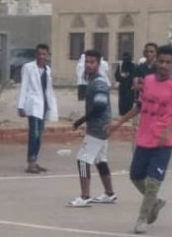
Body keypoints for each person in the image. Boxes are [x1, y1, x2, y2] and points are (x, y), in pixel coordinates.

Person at [108, 45, 172, 235]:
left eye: (168, 62)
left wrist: (169, 129)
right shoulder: (147, 81)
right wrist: (118, 123)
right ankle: (155, 202)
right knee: (136, 176)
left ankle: (142, 218)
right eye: (161, 61)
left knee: (153, 181)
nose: (164, 65)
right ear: (155, 62)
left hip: (163, 142)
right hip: (144, 138)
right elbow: (138, 106)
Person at [68, 51, 116, 207]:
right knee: (100, 160)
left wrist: (80, 121)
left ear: (98, 64)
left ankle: (85, 196)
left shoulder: (99, 83)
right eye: (87, 62)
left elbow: (100, 106)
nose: (88, 65)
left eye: (92, 62)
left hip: (98, 127)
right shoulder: (92, 80)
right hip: (101, 126)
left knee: (83, 160)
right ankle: (109, 193)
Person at [16, 43, 58, 174]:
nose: (41, 56)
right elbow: (24, 86)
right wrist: (21, 105)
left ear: (47, 55)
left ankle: (34, 160)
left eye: (44, 54)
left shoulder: (47, 70)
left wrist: (51, 105)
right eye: (39, 54)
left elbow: (48, 90)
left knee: (39, 134)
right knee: (33, 134)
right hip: (33, 104)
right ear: (36, 54)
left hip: (43, 105)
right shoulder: (28, 67)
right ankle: (31, 162)